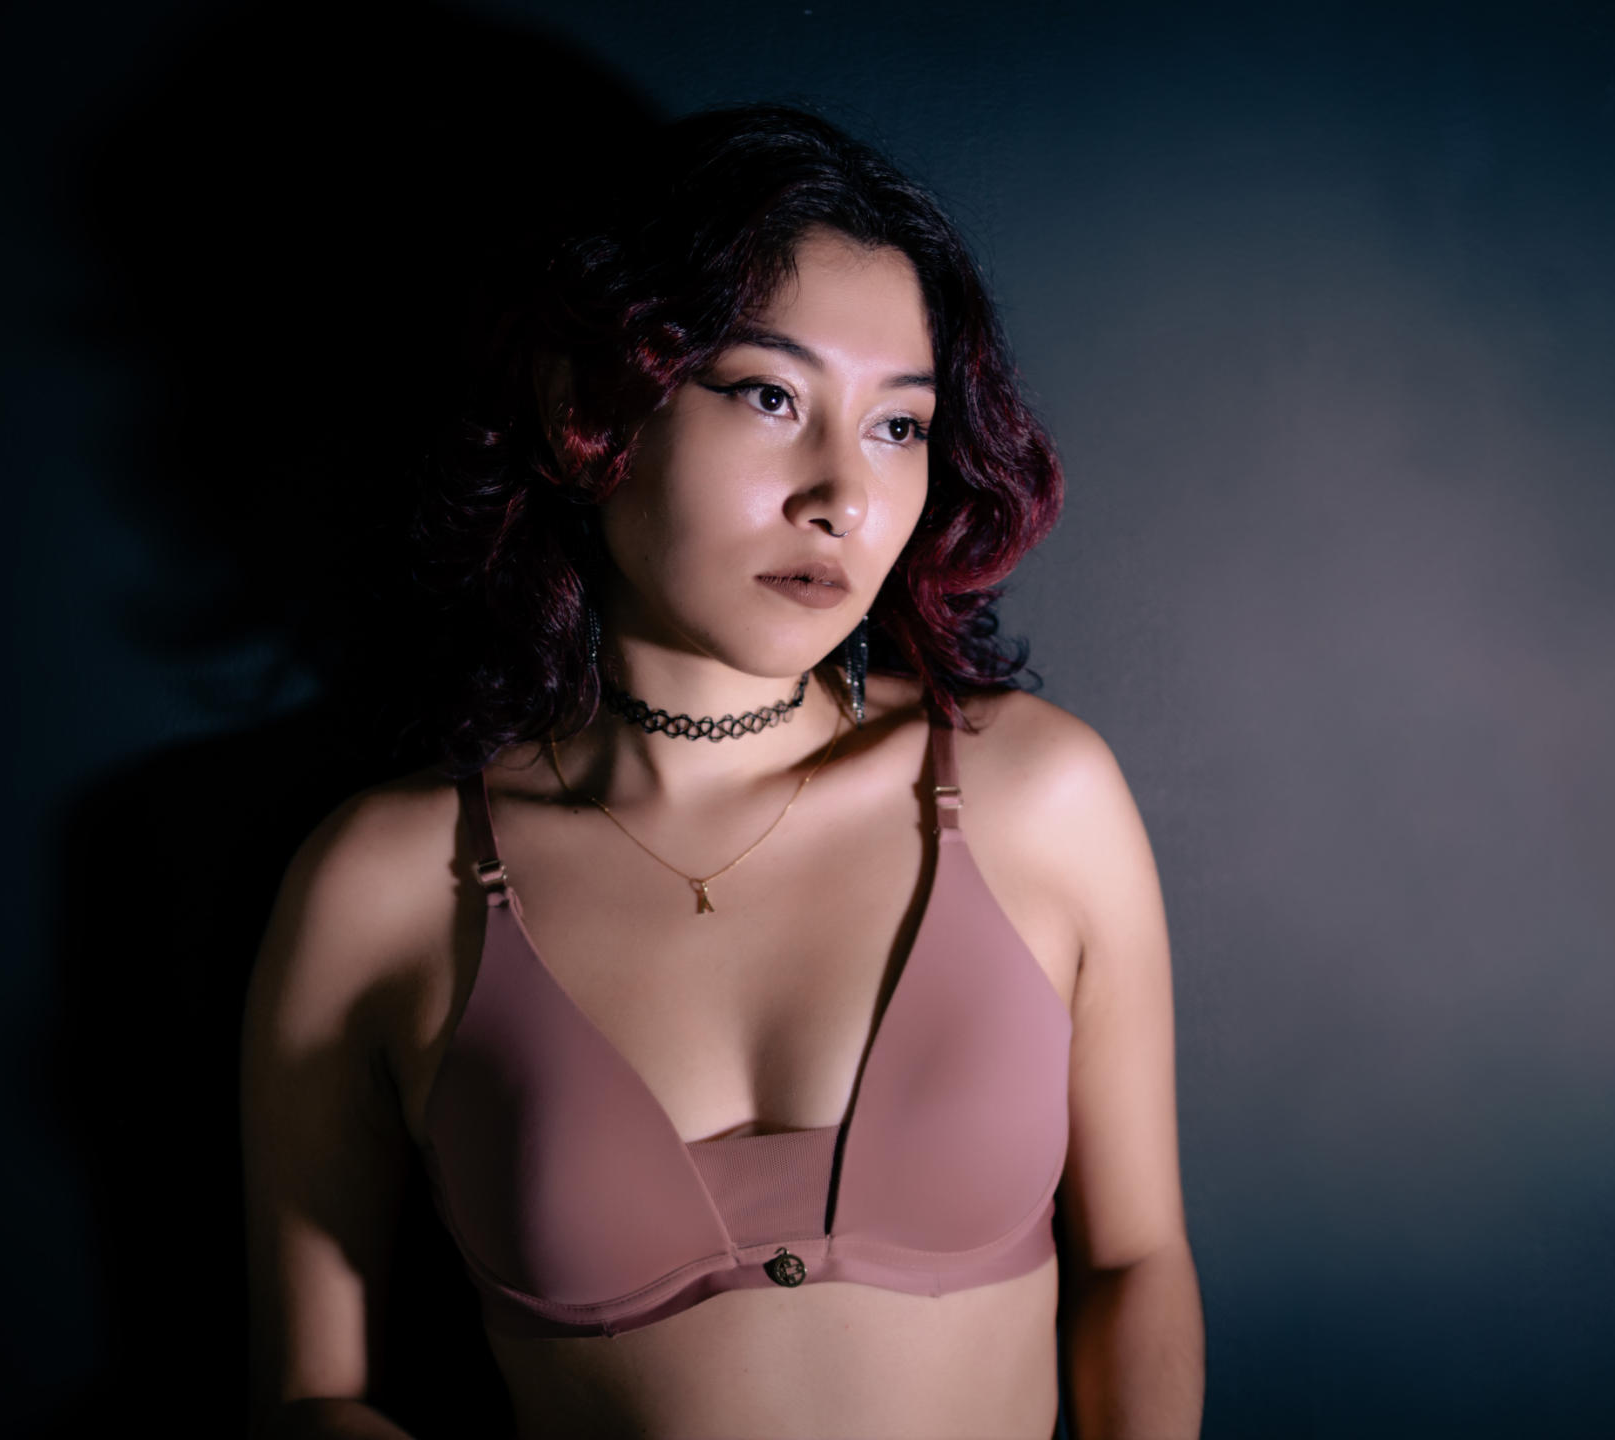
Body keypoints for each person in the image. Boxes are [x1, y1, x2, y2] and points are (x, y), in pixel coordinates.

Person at [241, 103, 1203, 1439]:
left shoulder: (1037, 796)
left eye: (899, 427)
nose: (842, 496)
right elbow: (311, 1397)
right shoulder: (386, 885)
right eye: (769, 396)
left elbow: (1136, 1261)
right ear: (587, 410)